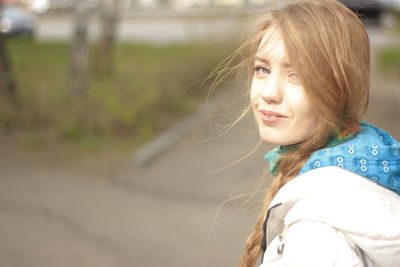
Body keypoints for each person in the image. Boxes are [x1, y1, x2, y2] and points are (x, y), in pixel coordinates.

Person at [236, 0, 400, 266]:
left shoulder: (316, 233)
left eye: (297, 75)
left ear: (341, 88)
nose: (268, 93)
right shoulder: (368, 161)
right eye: (262, 69)